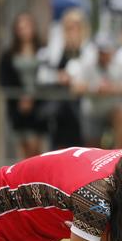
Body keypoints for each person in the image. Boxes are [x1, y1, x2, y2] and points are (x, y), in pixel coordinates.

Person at [37, 8, 96, 149]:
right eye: (69, 27)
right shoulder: (54, 48)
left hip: (81, 106)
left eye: (76, 27)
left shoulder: (90, 50)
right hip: (57, 105)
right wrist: (58, 77)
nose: (72, 31)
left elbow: (91, 77)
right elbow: (42, 75)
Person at [71, 36, 122, 148]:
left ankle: (118, 153)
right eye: (101, 52)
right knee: (92, 145)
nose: (103, 55)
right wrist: (95, 88)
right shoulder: (87, 65)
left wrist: (113, 88)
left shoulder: (121, 65)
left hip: (114, 109)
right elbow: (76, 87)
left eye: (106, 52)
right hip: (93, 112)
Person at [0, 13, 47, 158]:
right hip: (18, 107)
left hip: (39, 105)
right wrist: (20, 98)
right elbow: (5, 80)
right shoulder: (9, 55)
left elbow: (48, 75)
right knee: (24, 145)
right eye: (21, 27)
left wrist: (35, 97)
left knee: (36, 146)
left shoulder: (42, 50)